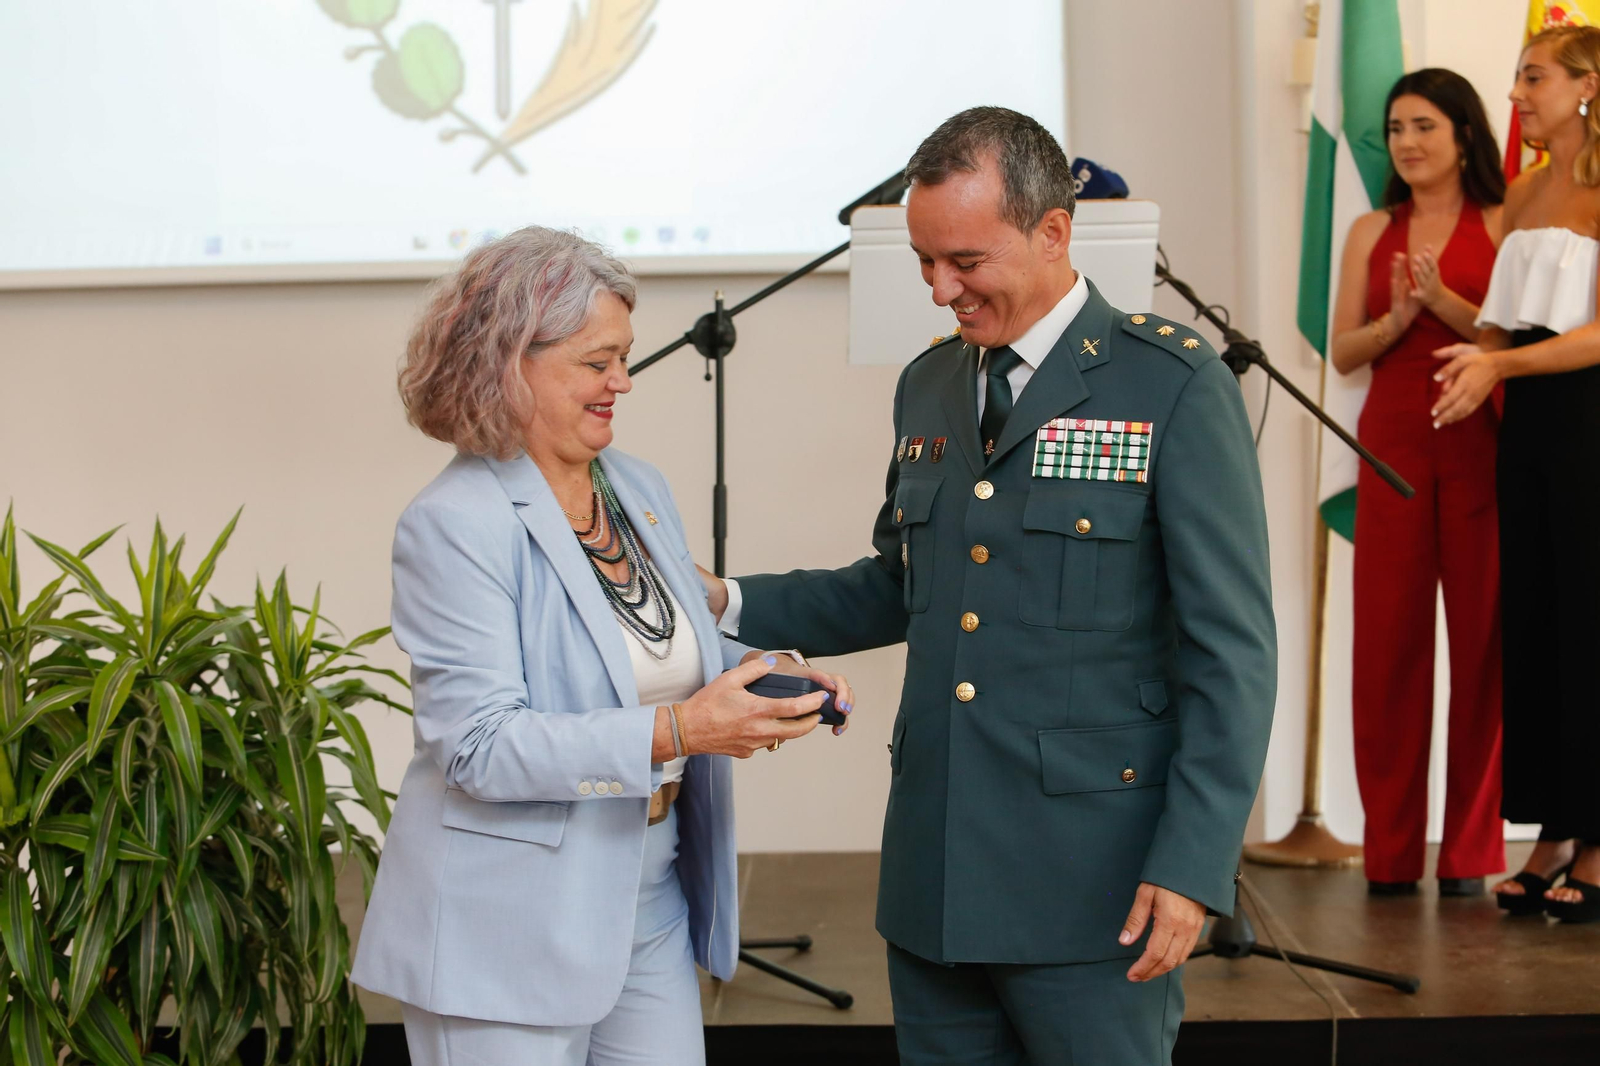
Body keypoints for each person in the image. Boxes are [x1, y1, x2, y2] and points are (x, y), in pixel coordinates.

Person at [701, 108, 1276, 1064]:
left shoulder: (1169, 383)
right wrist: (724, 600)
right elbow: (901, 585)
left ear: (1054, 232)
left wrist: (1193, 866)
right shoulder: (931, 385)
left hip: (1098, 882)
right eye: (925, 262)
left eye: (964, 261)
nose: (940, 289)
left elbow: (1234, 655)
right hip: (937, 872)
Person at [349, 226, 857, 1065]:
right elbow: (479, 747)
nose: (623, 381)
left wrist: (764, 678)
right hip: (503, 925)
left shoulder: (636, 486)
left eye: (624, 357)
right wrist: (684, 733)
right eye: (597, 362)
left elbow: (666, 648)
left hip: (649, 889)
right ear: (510, 361)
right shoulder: (453, 525)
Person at [1433, 25, 1600, 924]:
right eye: (1517, 78)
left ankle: (1598, 840)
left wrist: (1496, 367)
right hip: (1531, 428)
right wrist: (1469, 355)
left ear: (1587, 86)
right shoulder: (1527, 190)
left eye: (1533, 78)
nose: (1518, 94)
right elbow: (1509, 326)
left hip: (1590, 422)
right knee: (1535, 620)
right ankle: (1553, 834)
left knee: (1591, 623)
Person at [1328, 69, 1507, 898]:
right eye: (1396, 127)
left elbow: (1518, 338)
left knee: (1482, 652)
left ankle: (1469, 853)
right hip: (1393, 452)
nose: (1407, 142)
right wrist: (1399, 319)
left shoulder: (1506, 221)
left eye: (1425, 126)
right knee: (1388, 654)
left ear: (1465, 134)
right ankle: (1392, 854)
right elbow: (1343, 351)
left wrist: (1449, 301)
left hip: (1483, 447)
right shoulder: (1371, 228)